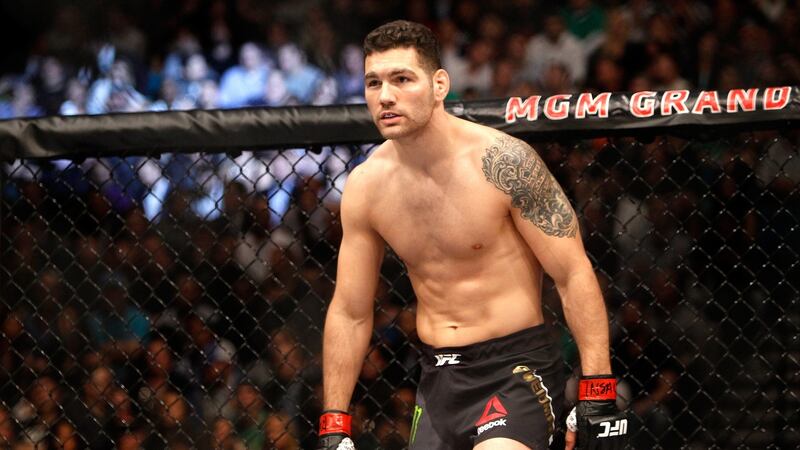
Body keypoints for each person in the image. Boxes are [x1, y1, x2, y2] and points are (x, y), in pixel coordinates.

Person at [317, 20, 628, 450]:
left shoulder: (504, 163)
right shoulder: (367, 187)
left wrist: (597, 389)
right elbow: (350, 311)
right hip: (437, 377)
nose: (385, 95)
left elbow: (573, 273)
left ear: (439, 85)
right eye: (374, 83)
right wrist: (333, 424)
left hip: (514, 369)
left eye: (402, 79)